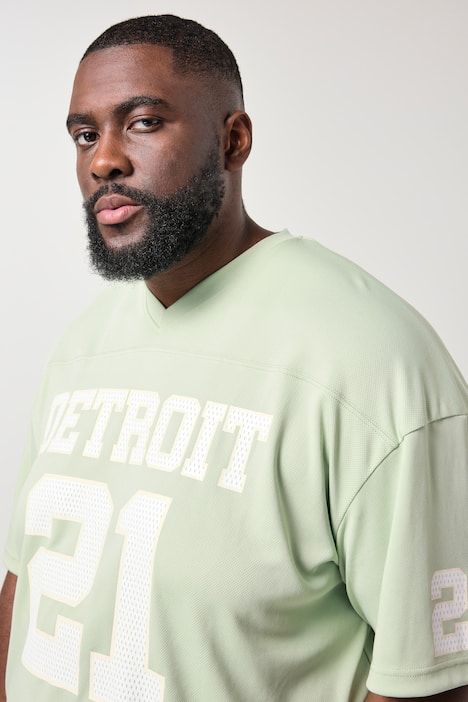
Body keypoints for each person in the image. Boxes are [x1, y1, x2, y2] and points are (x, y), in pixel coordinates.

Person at [0, 13, 467, 702]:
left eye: (144, 123)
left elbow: (429, 680)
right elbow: (25, 580)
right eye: (85, 135)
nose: (103, 162)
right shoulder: (81, 346)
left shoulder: (373, 360)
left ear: (233, 140)